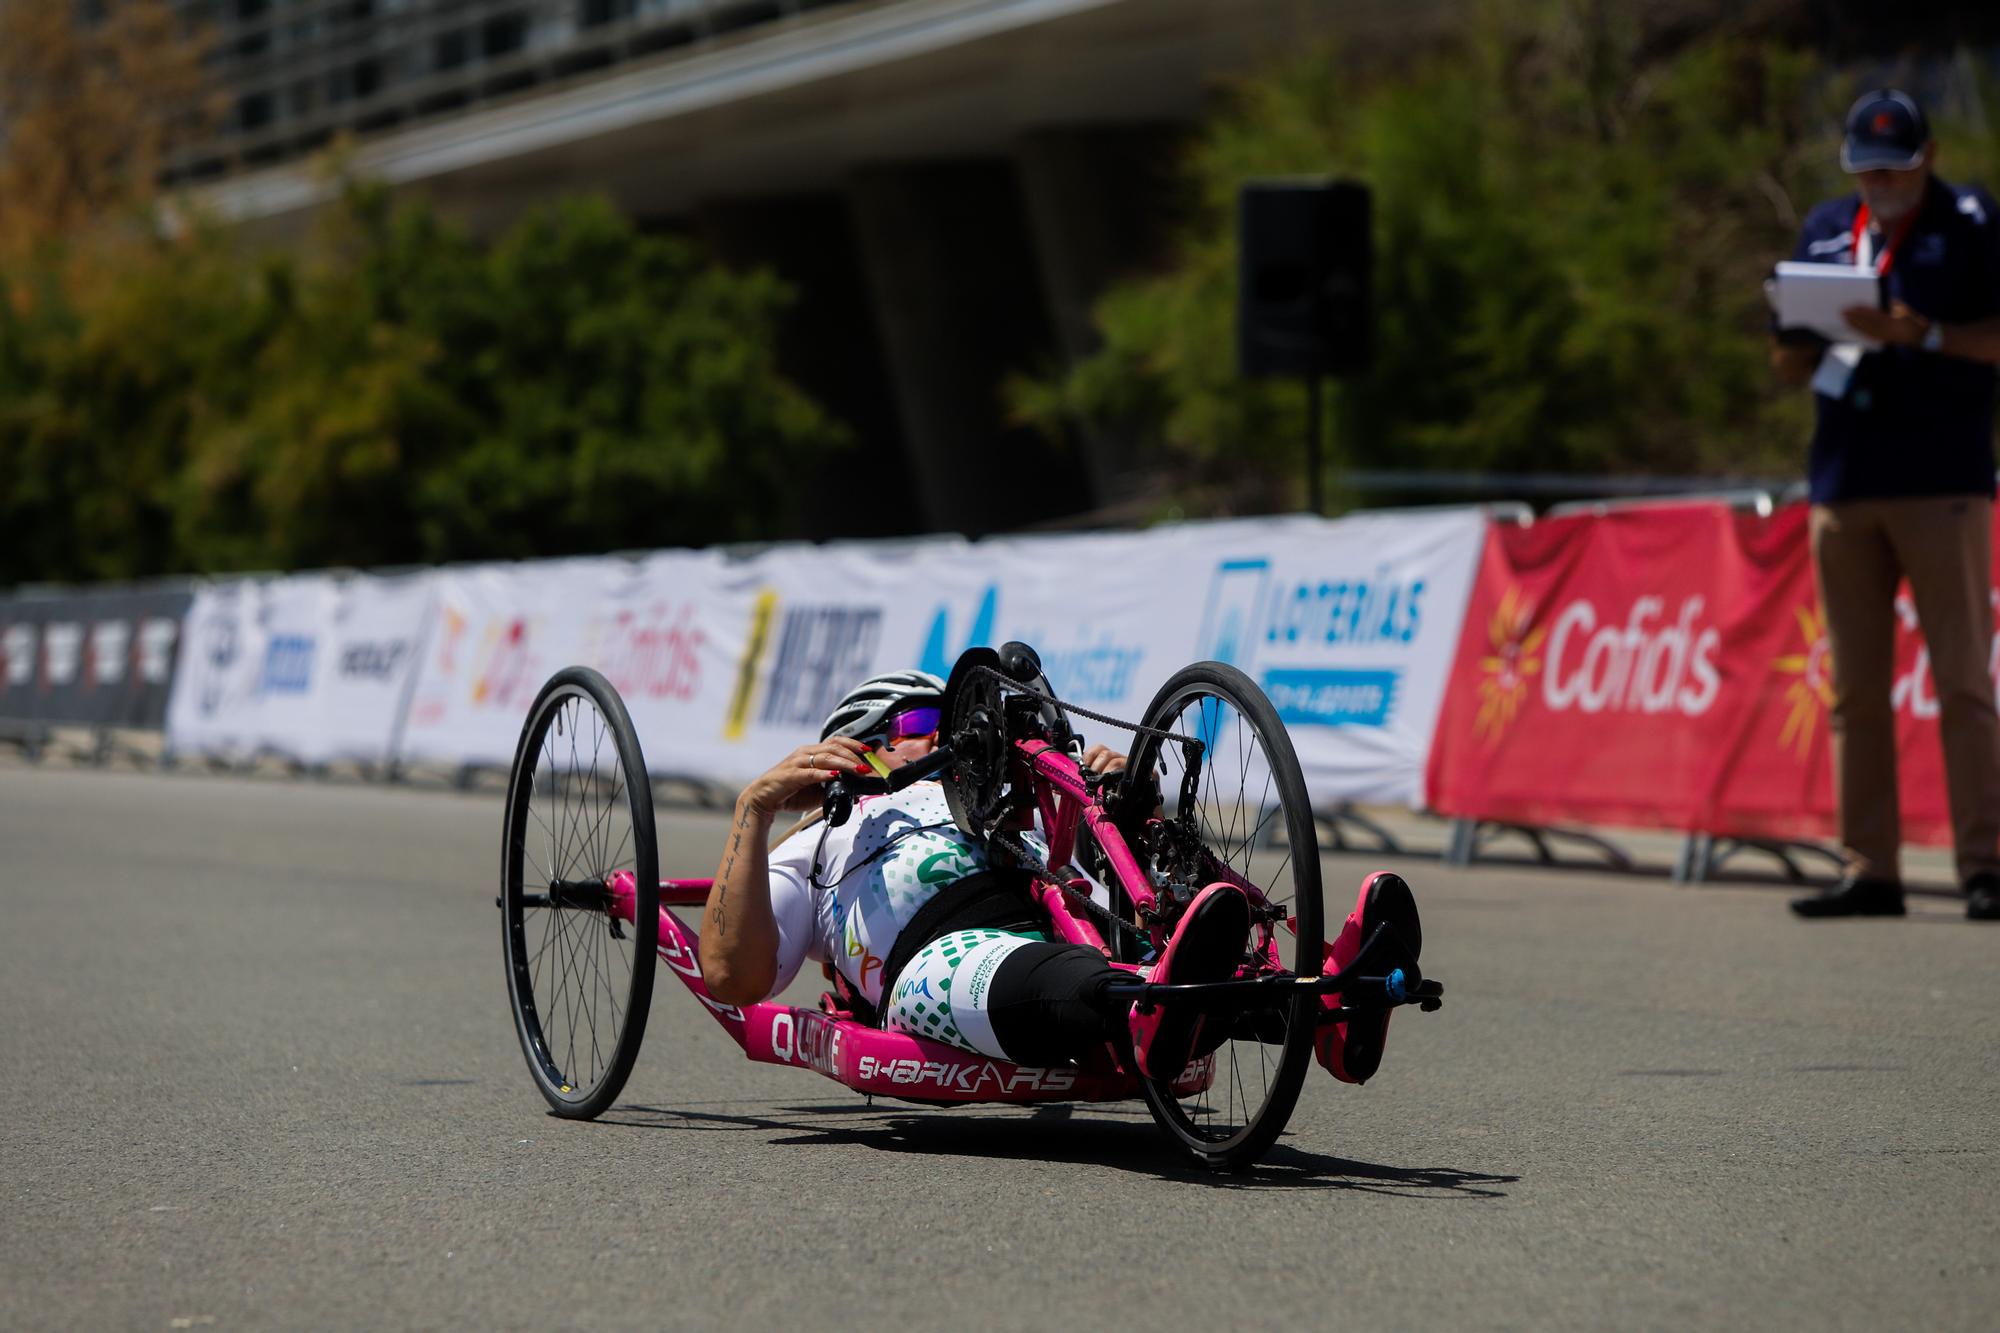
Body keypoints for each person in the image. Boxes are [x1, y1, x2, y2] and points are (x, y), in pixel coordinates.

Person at [696, 666, 1424, 1082]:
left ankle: (1329, 1003)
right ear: (857, 747)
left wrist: (1113, 790)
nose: (946, 735)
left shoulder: (1007, 792)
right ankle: (1145, 1008)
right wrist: (753, 813)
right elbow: (734, 977)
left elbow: (1111, 875)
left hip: (1067, 916)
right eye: (921, 723)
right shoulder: (820, 833)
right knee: (1020, 964)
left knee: (1132, 943)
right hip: (933, 956)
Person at [1772, 89, 2000, 922]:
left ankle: (1985, 864)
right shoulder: (1829, 229)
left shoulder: (1972, 221)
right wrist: (1806, 332)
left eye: (1895, 167)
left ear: (1928, 156)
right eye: (1865, 170)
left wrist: (1923, 334)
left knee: (1963, 679)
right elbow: (1786, 364)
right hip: (1843, 482)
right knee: (1854, 689)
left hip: (1943, 483)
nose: (1879, 182)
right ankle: (1871, 868)